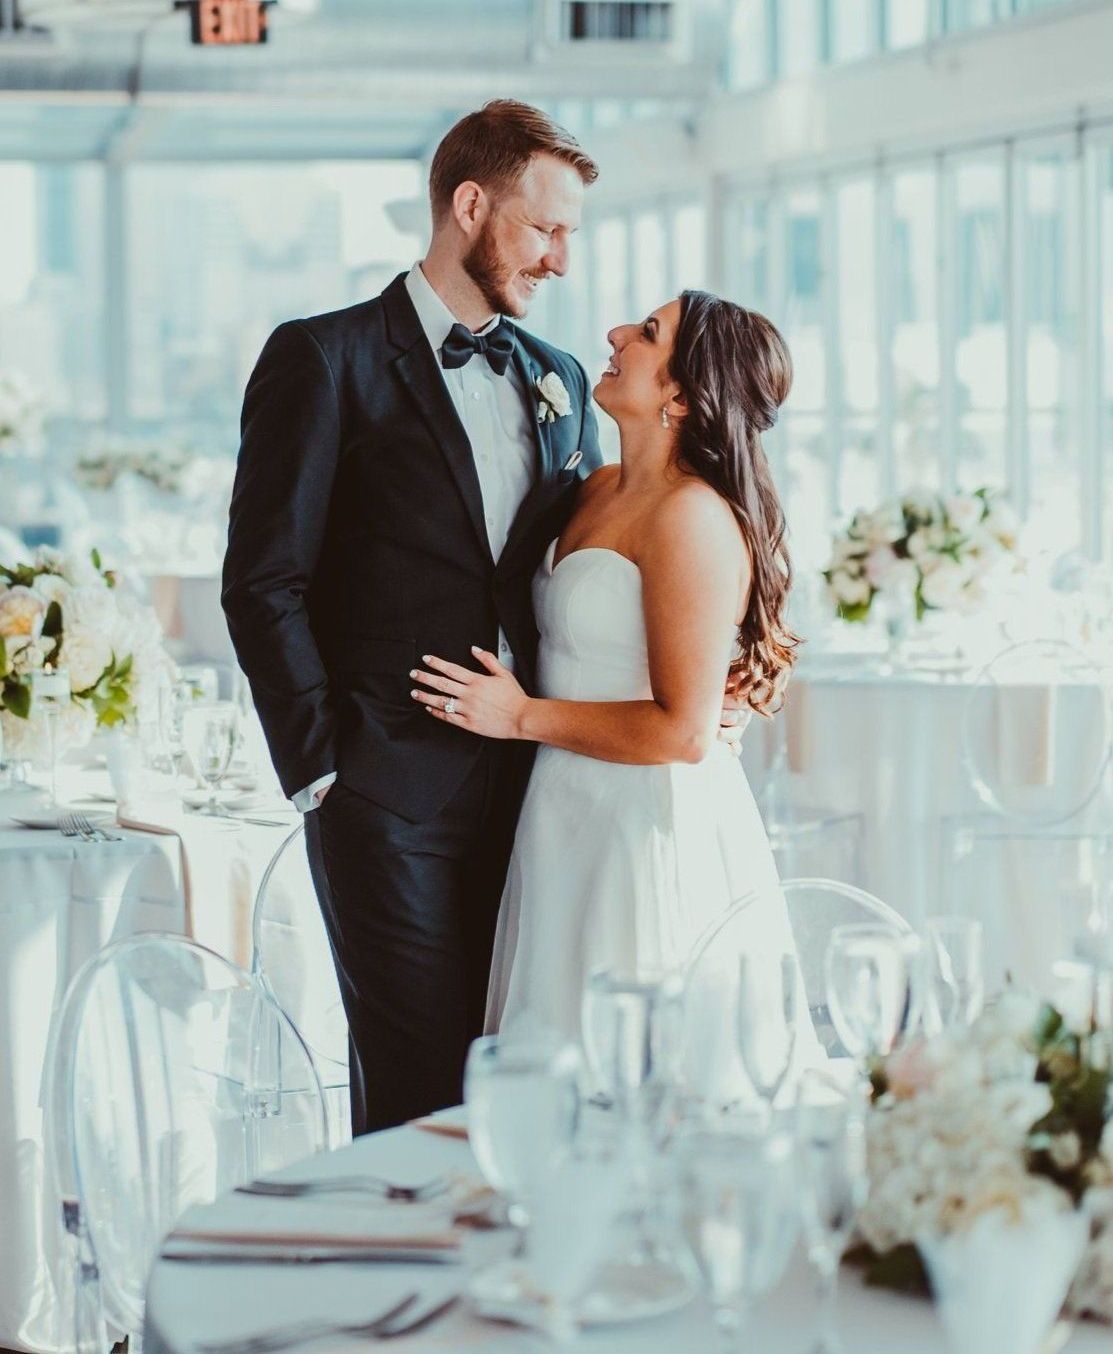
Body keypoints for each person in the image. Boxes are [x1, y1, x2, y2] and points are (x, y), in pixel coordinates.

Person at [223, 101, 747, 1134]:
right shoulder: (323, 359)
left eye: (569, 236)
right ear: (470, 206)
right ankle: (406, 1289)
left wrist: (714, 681)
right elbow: (261, 579)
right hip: (388, 793)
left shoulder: (555, 379)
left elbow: (627, 552)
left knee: (521, 1079)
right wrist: (326, 766)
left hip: (545, 797)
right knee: (420, 1092)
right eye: (544, 228)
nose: (560, 259)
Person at [411, 291, 823, 1075]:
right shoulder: (593, 488)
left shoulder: (691, 517)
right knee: (552, 1062)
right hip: (562, 814)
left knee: (632, 1073)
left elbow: (683, 731)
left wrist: (522, 716)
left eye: (647, 333)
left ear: (683, 394)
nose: (615, 334)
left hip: (642, 827)